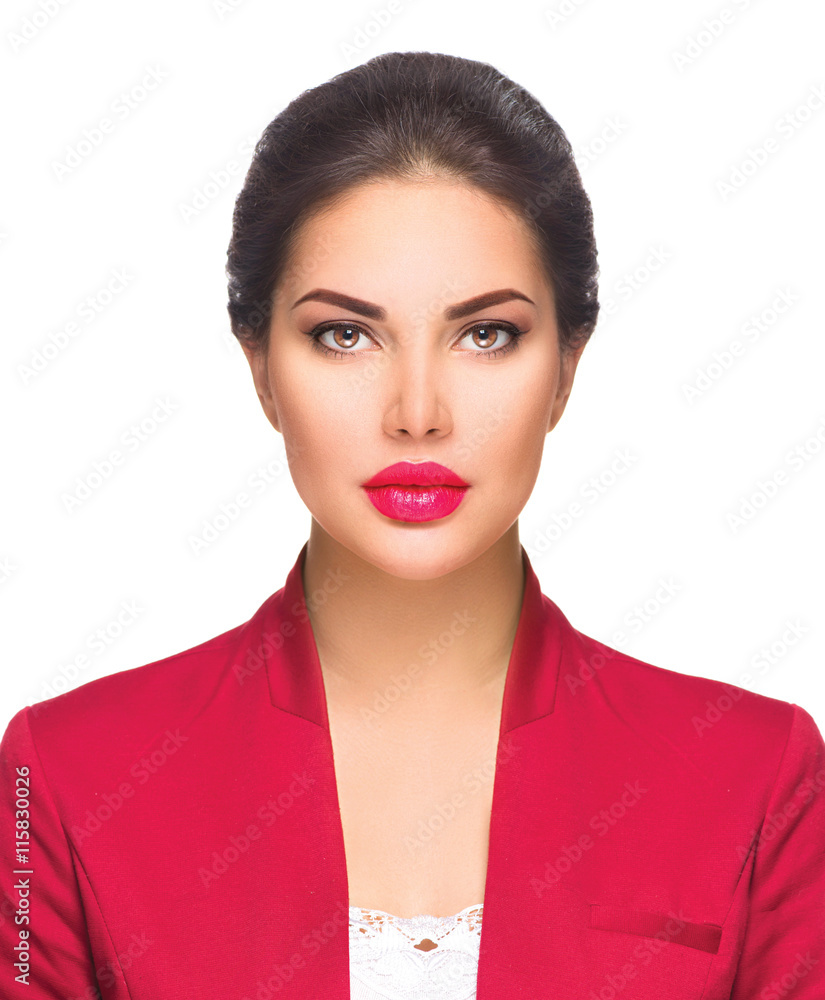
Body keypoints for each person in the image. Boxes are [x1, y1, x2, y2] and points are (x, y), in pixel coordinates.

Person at [1, 50, 823, 1000]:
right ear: (260, 366)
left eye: (486, 334)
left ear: (566, 365)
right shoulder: (61, 778)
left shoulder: (755, 775)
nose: (417, 413)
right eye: (344, 334)